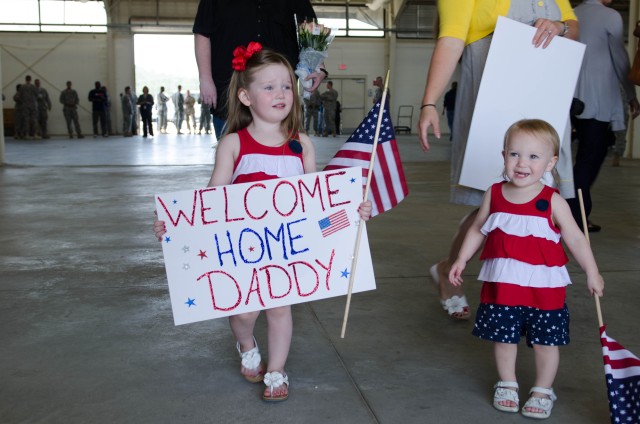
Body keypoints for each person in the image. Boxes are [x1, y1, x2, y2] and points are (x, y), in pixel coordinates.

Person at [154, 44, 371, 402]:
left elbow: (315, 202)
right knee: (243, 312)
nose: (280, 93)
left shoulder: (302, 145)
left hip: (284, 250)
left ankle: (277, 370)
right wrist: (176, 225)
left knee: (281, 308)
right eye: (268, 87)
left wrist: (350, 213)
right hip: (242, 253)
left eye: (286, 85)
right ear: (245, 96)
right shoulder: (233, 144)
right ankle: (246, 343)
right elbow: (211, 201)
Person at [417, 0, 579, 320]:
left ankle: (530, 287)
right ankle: (449, 271)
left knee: (544, 195)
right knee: (492, 200)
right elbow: (450, 40)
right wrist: (429, 103)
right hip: (492, 90)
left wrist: (559, 27)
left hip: (545, 88)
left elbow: (572, 26)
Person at [449, 119, 604, 419]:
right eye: (514, 154)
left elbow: (575, 238)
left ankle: (543, 389)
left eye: (534, 156)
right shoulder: (494, 194)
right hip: (503, 284)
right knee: (504, 338)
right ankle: (507, 383)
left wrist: (592, 271)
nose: (522, 163)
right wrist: (461, 259)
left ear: (550, 162)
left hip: (543, 288)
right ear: (504, 155)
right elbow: (478, 229)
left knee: (546, 341)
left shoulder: (552, 201)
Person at [192, 0, 327, 138]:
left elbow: (311, 28)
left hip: (279, 91)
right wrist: (205, 78)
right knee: (230, 151)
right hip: (230, 88)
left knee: (279, 154)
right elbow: (202, 33)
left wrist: (319, 67)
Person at [567, 0, 640, 232]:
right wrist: (631, 95)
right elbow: (620, 60)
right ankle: (576, 217)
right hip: (597, 98)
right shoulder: (610, 16)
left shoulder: (571, 14)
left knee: (570, 160)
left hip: (569, 97)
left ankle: (572, 214)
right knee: (590, 158)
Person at [19, 75, 39, 139]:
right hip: (33, 105)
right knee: (34, 120)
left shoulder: (22, 87)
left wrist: (24, 101)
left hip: (25, 105)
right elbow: (37, 95)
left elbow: (20, 96)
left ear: (25, 79)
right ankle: (35, 134)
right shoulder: (33, 87)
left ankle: (27, 134)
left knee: (26, 120)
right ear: (30, 79)